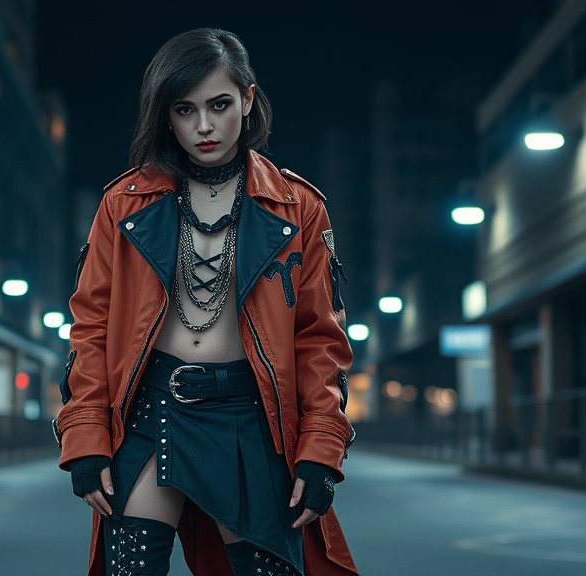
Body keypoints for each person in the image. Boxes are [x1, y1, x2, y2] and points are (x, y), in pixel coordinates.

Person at [55, 27, 359, 576]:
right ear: (164, 115)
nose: (203, 126)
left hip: (249, 419)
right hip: (153, 413)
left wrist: (321, 451)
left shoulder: (299, 207)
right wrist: (85, 435)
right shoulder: (123, 203)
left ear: (246, 98)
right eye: (184, 109)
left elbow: (320, 340)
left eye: (219, 105)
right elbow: (91, 328)